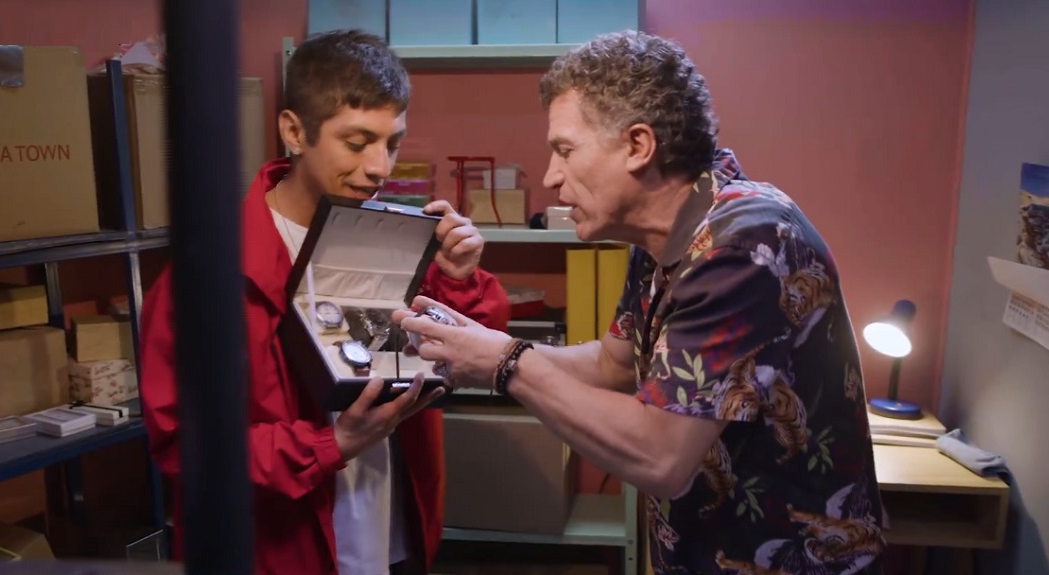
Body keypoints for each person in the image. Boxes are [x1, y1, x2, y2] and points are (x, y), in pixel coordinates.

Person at [395, 31, 886, 575]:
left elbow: (660, 456)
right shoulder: (666, 235)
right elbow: (612, 365)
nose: (551, 175)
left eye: (565, 150)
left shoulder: (744, 244)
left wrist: (505, 363)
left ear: (638, 146)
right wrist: (482, 343)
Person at [139, 29, 510, 575]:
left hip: (391, 537)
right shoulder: (206, 279)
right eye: (357, 143)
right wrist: (330, 443)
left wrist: (459, 278)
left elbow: (469, 356)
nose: (380, 168)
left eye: (393, 143)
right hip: (281, 553)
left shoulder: (395, 241)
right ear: (294, 131)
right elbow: (184, 447)